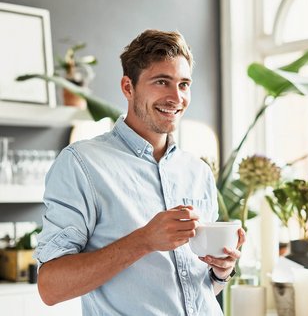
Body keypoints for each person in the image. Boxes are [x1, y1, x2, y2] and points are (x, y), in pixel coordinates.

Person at [34, 29, 245, 316]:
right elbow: (51, 288)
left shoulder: (198, 172)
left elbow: (195, 288)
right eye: (162, 82)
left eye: (184, 84)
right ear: (127, 87)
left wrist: (221, 272)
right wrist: (144, 240)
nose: (176, 97)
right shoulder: (81, 164)